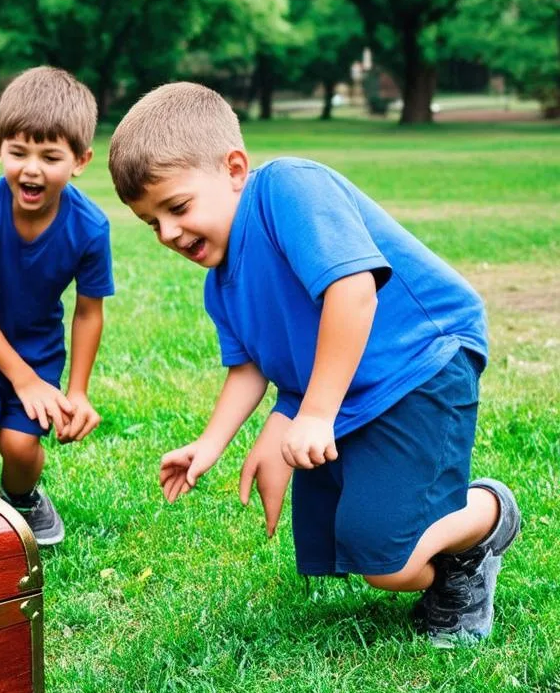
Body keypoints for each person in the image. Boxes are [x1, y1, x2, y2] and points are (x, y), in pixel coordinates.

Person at [108, 81, 520, 646]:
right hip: (357, 385)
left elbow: (353, 292)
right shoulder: (220, 287)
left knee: (386, 560)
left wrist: (316, 413)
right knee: (343, 543)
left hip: (422, 360)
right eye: (151, 222)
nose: (169, 233)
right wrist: (210, 445)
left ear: (234, 168)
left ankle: (484, 522)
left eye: (177, 207)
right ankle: (437, 546)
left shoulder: (286, 189)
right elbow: (249, 368)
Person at [0, 67, 114, 545]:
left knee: (19, 447)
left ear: (80, 160)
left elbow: (88, 312)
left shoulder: (91, 227)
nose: (31, 168)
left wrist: (76, 391)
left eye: (50, 156)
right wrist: (22, 380)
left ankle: (22, 499)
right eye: (18, 153)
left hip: (39, 352)